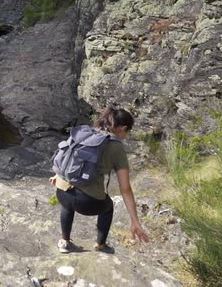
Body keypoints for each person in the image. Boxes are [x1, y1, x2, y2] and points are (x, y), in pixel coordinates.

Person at [49, 107, 149, 253]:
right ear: (123, 128)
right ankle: (101, 245)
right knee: (108, 207)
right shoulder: (116, 147)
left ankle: (64, 242)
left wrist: (58, 175)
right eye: (127, 132)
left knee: (67, 204)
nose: (126, 136)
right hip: (86, 203)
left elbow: (68, 156)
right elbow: (125, 189)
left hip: (61, 192)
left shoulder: (85, 132)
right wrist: (135, 220)